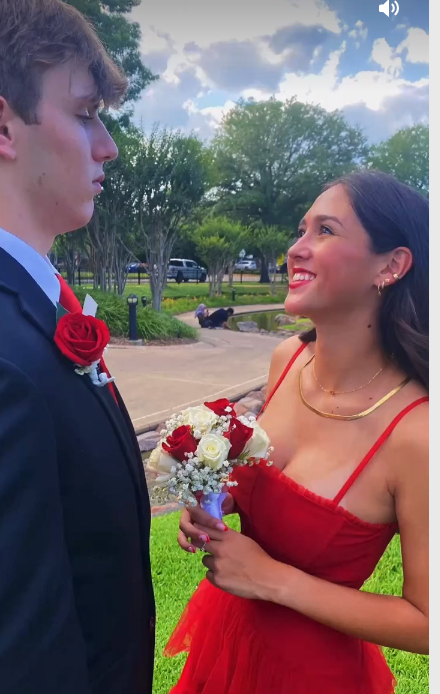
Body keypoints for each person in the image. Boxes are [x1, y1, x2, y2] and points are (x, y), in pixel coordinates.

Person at [166, 170, 429, 693]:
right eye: (301, 229)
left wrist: (272, 580)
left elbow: (429, 624)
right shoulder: (287, 360)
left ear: (391, 265)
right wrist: (215, 502)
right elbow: (274, 485)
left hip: (311, 676)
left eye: (325, 231)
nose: (295, 249)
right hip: (226, 640)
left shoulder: (418, 435)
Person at [0, 2, 154, 693]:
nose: (108, 147)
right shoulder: (7, 356)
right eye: (87, 113)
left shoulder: (38, 304)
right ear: (5, 127)